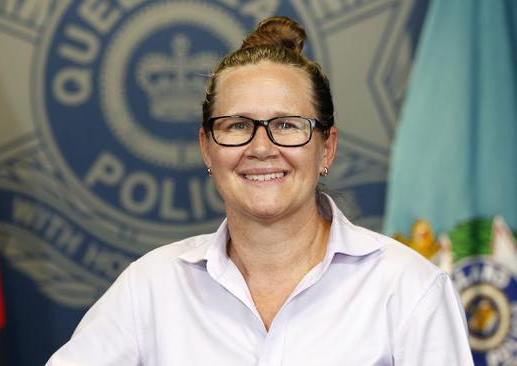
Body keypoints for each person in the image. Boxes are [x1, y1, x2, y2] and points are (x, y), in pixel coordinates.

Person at [46, 16, 473, 365]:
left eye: (287, 125)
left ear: (328, 147)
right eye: (237, 126)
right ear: (206, 149)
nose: (262, 147)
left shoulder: (409, 289)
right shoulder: (150, 288)